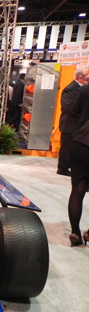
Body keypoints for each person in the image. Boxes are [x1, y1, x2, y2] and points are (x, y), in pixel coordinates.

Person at [68, 83, 89, 247]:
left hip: (80, 141)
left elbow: (73, 110)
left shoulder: (85, 88)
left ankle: (75, 232)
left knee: (77, 189)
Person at [57, 66, 89, 176]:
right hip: (69, 123)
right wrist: (83, 114)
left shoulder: (82, 88)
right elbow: (69, 107)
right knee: (66, 146)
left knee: (72, 147)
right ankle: (62, 168)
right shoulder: (70, 88)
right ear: (80, 76)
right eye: (87, 75)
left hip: (78, 124)